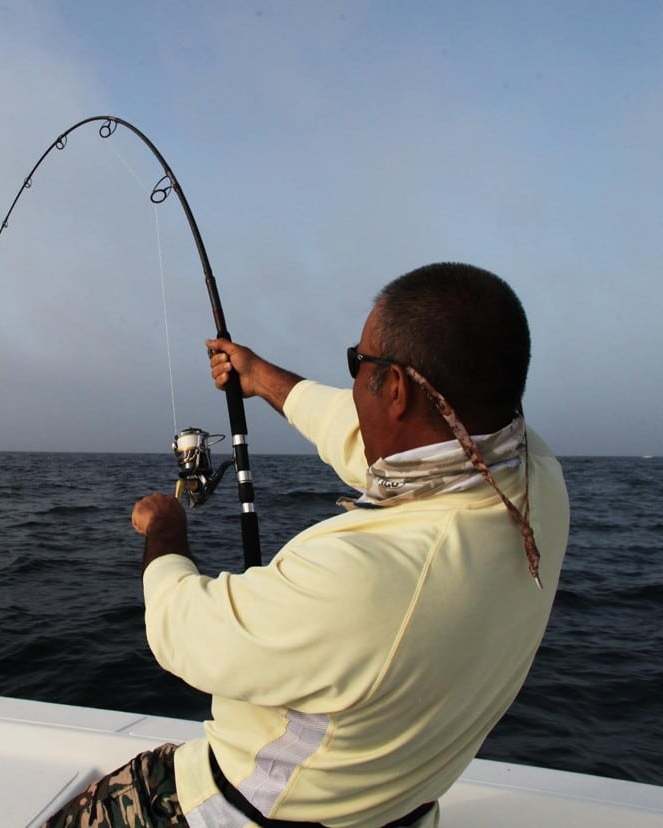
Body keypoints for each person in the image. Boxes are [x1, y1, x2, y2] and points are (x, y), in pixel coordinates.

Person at [43, 262, 569, 828]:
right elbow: (363, 428)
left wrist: (166, 529)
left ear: (394, 388)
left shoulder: (371, 578)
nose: (352, 382)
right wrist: (259, 376)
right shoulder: (537, 481)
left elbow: (183, 632)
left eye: (357, 363)